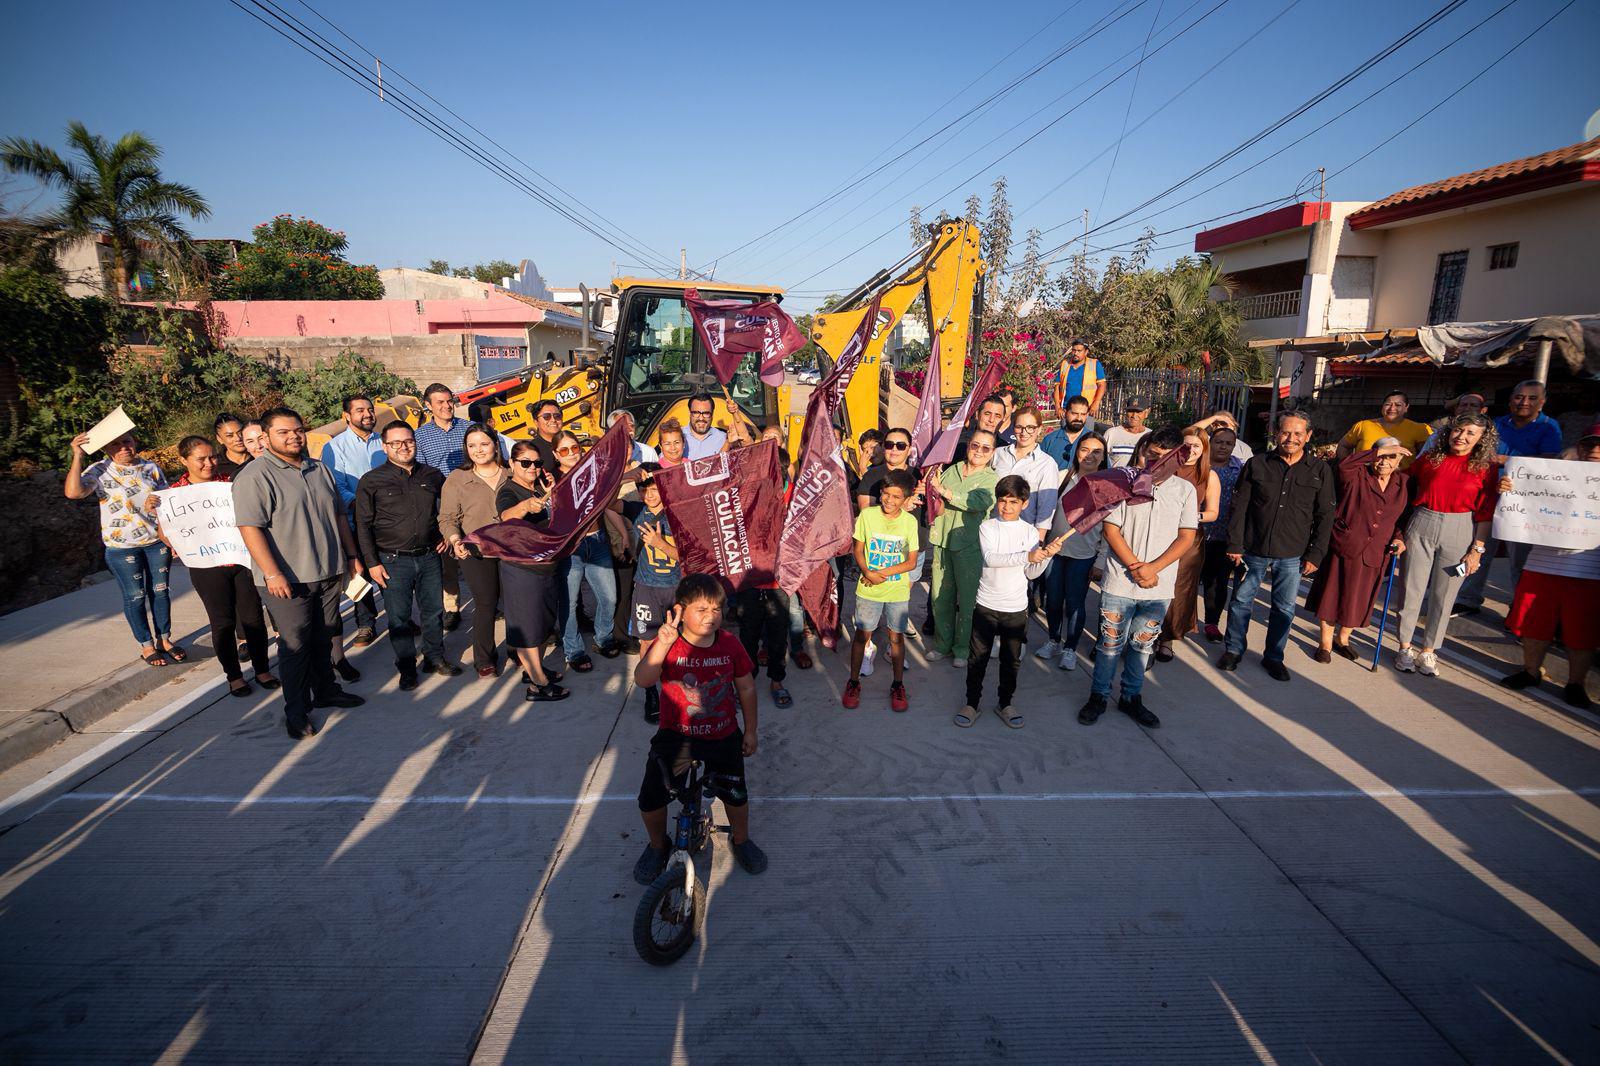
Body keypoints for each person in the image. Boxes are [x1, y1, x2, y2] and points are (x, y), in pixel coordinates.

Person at [233, 407, 367, 738]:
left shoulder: (319, 469)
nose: (294, 436)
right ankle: (296, 711)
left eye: (298, 430)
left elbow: (338, 516)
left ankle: (326, 691)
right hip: (287, 578)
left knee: (325, 637)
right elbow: (250, 528)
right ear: (265, 437)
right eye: (284, 432)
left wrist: (351, 556)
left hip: (328, 571)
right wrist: (272, 573)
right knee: (295, 648)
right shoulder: (255, 476)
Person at [632, 574, 767, 886]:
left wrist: (751, 731)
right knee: (650, 798)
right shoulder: (668, 642)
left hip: (722, 735)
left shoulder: (731, 645)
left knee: (736, 795)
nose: (711, 616)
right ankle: (657, 846)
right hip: (676, 737)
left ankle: (742, 840)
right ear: (681, 610)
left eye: (716, 610)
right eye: (702, 610)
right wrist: (662, 643)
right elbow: (643, 679)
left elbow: (746, 689)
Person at [1078, 429, 1198, 728]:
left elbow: (1186, 537)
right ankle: (1099, 696)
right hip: (1120, 580)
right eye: (1149, 454)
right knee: (1109, 644)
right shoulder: (1125, 482)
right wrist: (1135, 566)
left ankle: (1132, 697)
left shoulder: (1185, 491)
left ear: (1176, 460)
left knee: (1143, 646)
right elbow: (1111, 530)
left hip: (1158, 586)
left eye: (1161, 458)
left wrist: (1154, 568)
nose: (1153, 462)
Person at [1218, 411, 1335, 682]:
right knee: (1240, 603)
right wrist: (1235, 543)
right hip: (1252, 550)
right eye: (1285, 432)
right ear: (1275, 433)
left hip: (1293, 555)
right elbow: (1240, 507)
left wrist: (1315, 554)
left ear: (1307, 436)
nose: (1291, 438)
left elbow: (1325, 515)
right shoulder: (1257, 464)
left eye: (1297, 434)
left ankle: (1274, 657)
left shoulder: (1320, 470)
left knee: (1283, 609)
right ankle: (1234, 650)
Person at [161, 436, 277, 696]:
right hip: (206, 567)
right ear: (184, 460)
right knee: (222, 622)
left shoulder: (230, 483)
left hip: (240, 560)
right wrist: (157, 511)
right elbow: (166, 534)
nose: (209, 463)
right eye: (201, 459)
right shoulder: (174, 493)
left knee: (253, 619)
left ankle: (262, 669)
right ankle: (234, 676)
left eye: (212, 457)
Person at [1392, 413, 1499, 676]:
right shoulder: (1430, 459)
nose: (1461, 437)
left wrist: (1477, 551)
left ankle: (1429, 651)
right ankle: (1405, 646)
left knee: (1445, 593)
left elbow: (1485, 513)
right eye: (1458, 430)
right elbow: (1401, 482)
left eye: (1470, 433)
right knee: (1411, 587)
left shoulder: (1487, 468)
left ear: (1481, 439)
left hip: (1461, 528)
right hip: (1422, 522)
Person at [1499, 429, 1600, 708]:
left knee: (1582, 631)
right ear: (1579, 447)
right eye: (1588, 443)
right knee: (1533, 624)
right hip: (1542, 563)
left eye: (1599, 445)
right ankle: (1530, 671)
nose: (1593, 449)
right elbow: (1522, 502)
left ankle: (1576, 684)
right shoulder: (1551, 474)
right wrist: (1509, 489)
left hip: (1589, 571)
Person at [355, 422, 460, 690]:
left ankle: (434, 657)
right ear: (385, 446)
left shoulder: (433, 475)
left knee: (433, 611)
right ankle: (406, 666)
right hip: (392, 561)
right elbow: (363, 525)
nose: (403, 447)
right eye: (396, 443)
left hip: (429, 557)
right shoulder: (372, 481)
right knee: (399, 617)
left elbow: (445, 512)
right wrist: (372, 563)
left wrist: (443, 537)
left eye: (408, 441)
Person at [65, 429, 183, 667]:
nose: (123, 447)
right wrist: (77, 455)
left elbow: (169, 503)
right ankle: (146, 645)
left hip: (155, 543)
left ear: (134, 441)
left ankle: (164, 640)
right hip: (122, 548)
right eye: (115, 444)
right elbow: (73, 492)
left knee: (160, 592)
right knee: (135, 596)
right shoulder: (99, 470)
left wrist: (172, 536)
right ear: (105, 448)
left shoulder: (151, 468)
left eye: (126, 441)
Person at [958, 475, 1059, 728]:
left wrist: (1045, 556)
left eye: (1013, 502)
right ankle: (972, 703)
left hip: (1015, 608)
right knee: (977, 658)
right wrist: (1028, 554)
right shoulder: (988, 527)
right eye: (1003, 501)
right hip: (986, 604)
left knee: (1011, 660)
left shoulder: (1030, 532)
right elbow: (991, 558)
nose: (1007, 506)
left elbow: (1030, 573)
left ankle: (1005, 703)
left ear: (1024, 504)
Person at [1455, 380, 1562, 614]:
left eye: (1532, 398)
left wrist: (1505, 461)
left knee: (1520, 559)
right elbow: (1482, 454)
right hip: (1489, 495)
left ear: (1542, 402)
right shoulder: (1497, 424)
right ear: (1511, 399)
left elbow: (1550, 464)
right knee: (1478, 547)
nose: (1524, 402)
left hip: (1525, 503)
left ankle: (1519, 609)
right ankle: (1467, 598)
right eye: (1519, 397)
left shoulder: (1549, 427)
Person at [1307, 439, 1410, 662]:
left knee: (1358, 598)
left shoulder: (1404, 483)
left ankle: (1342, 639)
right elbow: (1345, 464)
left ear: (1400, 460)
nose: (1384, 461)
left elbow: (1402, 519)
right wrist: (1380, 452)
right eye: (1380, 455)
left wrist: (1400, 539)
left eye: (1391, 457)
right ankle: (1325, 644)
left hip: (1377, 550)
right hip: (1346, 543)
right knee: (1332, 595)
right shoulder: (1357, 474)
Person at [495, 441, 568, 702]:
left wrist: (548, 494)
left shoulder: (538, 486)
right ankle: (538, 684)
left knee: (540, 623)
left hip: (544, 567)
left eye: (537, 463)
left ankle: (535, 669)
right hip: (521, 569)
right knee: (528, 626)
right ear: (512, 464)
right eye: (525, 462)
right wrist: (525, 507)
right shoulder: (509, 490)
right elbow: (505, 515)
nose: (532, 467)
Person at [843, 468, 920, 713]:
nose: (889, 500)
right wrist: (867, 572)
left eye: (896, 497)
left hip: (896, 591)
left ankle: (897, 685)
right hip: (868, 590)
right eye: (886, 494)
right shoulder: (867, 516)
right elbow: (858, 549)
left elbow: (911, 562)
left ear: (906, 500)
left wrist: (880, 574)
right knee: (861, 636)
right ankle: (853, 682)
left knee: (896, 638)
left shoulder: (909, 522)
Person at [552, 432, 627, 669]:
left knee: (609, 598)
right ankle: (573, 651)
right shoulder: (553, 482)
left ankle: (603, 638)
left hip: (597, 542)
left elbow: (605, 505)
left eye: (575, 448)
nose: (572, 453)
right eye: (564, 450)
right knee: (570, 603)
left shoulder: (592, 475)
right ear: (556, 455)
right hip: (570, 549)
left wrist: (624, 533)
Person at [441, 424, 510, 679]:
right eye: (472, 446)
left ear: (495, 445)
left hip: (510, 550)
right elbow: (447, 517)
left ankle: (517, 649)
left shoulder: (511, 474)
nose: (478, 450)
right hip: (474, 551)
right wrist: (455, 539)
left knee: (514, 602)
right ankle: (484, 658)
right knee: (486, 602)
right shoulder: (457, 479)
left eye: (484, 444)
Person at [927, 429, 999, 668]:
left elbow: (977, 502)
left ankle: (962, 648)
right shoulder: (952, 469)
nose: (978, 451)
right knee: (940, 597)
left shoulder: (991, 479)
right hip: (942, 540)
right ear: (968, 446)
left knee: (968, 601)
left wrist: (943, 491)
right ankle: (942, 645)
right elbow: (935, 497)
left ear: (992, 453)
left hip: (969, 545)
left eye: (985, 448)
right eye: (975, 445)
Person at [1036, 433, 1107, 670]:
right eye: (1085, 449)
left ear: (1104, 456)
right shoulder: (1062, 477)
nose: (1090, 455)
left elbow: (1110, 529)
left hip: (1084, 556)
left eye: (1097, 451)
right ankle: (1054, 640)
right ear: (1077, 451)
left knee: (1075, 603)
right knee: (1053, 600)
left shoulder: (1107, 486)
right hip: (1054, 552)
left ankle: (1070, 648)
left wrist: (1100, 561)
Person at [322, 395, 386, 646]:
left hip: (387, 520)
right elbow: (335, 485)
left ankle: (399, 617)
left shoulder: (385, 442)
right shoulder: (334, 447)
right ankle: (366, 624)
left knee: (390, 570)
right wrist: (360, 504)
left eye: (370, 409)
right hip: (355, 521)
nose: (367, 414)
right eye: (360, 410)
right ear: (346, 416)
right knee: (360, 573)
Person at [1156, 426, 1220, 661]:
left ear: (1204, 449)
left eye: (1197, 446)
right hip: (1161, 534)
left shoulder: (1208, 475)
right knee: (1155, 583)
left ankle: (1167, 639)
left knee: (1179, 589)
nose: (1191, 450)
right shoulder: (1165, 468)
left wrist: (1190, 516)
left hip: (1190, 538)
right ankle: (1149, 633)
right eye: (1187, 444)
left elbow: (1212, 512)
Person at [626, 465, 680, 722]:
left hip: (675, 586)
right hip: (646, 587)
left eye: (655, 488)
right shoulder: (637, 510)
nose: (650, 494)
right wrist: (627, 476)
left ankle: (676, 688)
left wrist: (660, 543)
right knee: (647, 640)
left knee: (679, 641)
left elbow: (686, 556)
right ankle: (650, 692)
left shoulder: (677, 515)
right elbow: (606, 503)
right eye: (645, 489)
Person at [414, 383, 469, 633]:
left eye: (450, 401)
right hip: (441, 505)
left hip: (472, 500)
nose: (447, 406)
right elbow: (421, 478)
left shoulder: (469, 430)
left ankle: (488, 599)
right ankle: (452, 608)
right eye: (440, 402)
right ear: (428, 406)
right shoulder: (420, 437)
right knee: (448, 559)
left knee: (480, 552)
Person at [1198, 424, 1245, 643]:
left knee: (1217, 583)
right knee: (1188, 580)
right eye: (1219, 442)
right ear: (1210, 444)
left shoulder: (1240, 469)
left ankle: (1211, 623)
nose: (1223, 447)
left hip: (1224, 536)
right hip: (1196, 533)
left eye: (1229, 443)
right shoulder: (1199, 465)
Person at [992, 406, 1059, 543]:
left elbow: (1046, 506)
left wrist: (1038, 540)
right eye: (1019, 427)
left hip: (1023, 535)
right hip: (993, 529)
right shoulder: (998, 454)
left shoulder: (1046, 463)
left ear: (1039, 429)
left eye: (1030, 427)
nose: (1024, 432)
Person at [1335, 391, 1432, 466]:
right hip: (1363, 480)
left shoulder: (1419, 429)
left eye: (1398, 405)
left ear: (1406, 408)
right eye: (1388, 404)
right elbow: (1343, 446)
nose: (1392, 408)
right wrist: (1349, 466)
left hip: (1401, 483)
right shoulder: (1363, 426)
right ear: (1382, 406)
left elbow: (1428, 456)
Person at [1052, 339, 1107, 418]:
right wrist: (1057, 407)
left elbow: (1102, 385)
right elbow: (1057, 386)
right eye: (1074, 350)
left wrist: (1096, 403)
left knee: (1086, 431)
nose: (1076, 353)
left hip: (1086, 410)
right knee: (1066, 430)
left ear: (1086, 352)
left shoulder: (1094, 364)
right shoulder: (1065, 364)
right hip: (1066, 410)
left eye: (1079, 351)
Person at [1040, 395, 1099, 469]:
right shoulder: (1050, 440)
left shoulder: (1095, 441)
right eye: (1074, 413)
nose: (1079, 418)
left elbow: (1105, 472)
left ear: (1087, 415)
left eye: (1083, 414)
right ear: (1065, 413)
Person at [1419, 392, 1486, 455]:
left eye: (1473, 405)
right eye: (1464, 405)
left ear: (1483, 410)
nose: (1467, 409)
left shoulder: (1490, 433)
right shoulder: (1438, 435)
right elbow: (1422, 461)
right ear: (1456, 409)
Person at [956, 395, 1007, 459]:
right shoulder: (958, 442)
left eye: (997, 416)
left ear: (1003, 420)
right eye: (987, 414)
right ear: (977, 415)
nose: (991, 420)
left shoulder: (1005, 450)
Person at [1103, 401, 1151, 467]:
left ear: (1146, 413)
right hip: (1115, 477)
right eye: (1131, 411)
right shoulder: (1112, 433)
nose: (1134, 416)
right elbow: (1101, 458)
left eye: (1139, 412)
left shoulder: (1151, 436)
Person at [526, 399, 565, 476]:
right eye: (546, 417)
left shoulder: (570, 443)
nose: (553, 420)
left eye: (557, 416)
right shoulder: (531, 449)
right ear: (536, 422)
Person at [683, 393, 728, 460]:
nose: (701, 418)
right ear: (689, 413)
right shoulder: (677, 436)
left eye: (706, 413)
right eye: (696, 413)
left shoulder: (724, 438)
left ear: (712, 414)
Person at [213, 413, 251, 478]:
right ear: (219, 439)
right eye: (230, 436)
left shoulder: (259, 456)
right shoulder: (215, 465)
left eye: (240, 432)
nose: (238, 438)